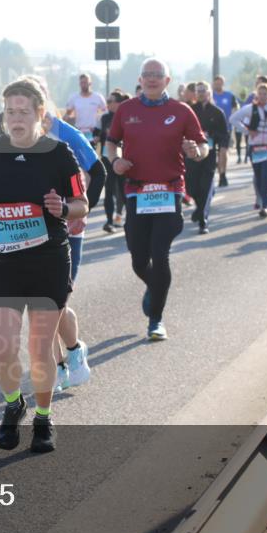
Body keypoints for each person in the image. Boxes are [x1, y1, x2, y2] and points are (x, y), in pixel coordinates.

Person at [0, 78, 88, 453]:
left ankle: (44, 418)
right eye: (10, 111)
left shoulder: (58, 153)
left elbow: (81, 203)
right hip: (3, 262)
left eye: (23, 111)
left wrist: (63, 209)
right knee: (2, 345)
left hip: (48, 260)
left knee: (38, 348)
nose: (16, 118)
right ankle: (13, 404)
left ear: (39, 113)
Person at [107, 59, 208, 340]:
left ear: (168, 80)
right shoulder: (126, 110)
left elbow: (203, 146)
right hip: (137, 192)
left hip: (169, 189)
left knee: (160, 254)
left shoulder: (181, 111)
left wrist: (195, 152)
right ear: (140, 79)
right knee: (139, 259)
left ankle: (156, 319)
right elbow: (111, 142)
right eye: (147, 75)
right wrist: (114, 160)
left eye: (157, 75)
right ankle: (155, 287)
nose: (152, 79)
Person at [19, 74, 104, 392]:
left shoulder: (64, 133)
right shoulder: (15, 136)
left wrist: (81, 210)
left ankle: (73, 351)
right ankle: (54, 369)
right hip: (27, 230)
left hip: (66, 227)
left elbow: (98, 170)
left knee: (54, 302)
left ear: (42, 102)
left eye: (30, 100)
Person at [228, 83, 267, 218]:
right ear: (257, 95)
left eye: (265, 94)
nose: (262, 96)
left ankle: (265, 205)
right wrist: (247, 131)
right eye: (260, 94)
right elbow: (233, 119)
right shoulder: (250, 108)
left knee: (266, 173)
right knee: (258, 175)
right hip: (255, 147)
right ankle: (260, 198)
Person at [188, 81, 228, 233]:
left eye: (204, 90)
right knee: (192, 186)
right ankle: (199, 209)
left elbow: (224, 134)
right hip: (192, 154)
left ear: (209, 93)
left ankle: (203, 220)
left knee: (205, 186)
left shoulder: (217, 112)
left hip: (209, 154)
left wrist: (211, 135)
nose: (201, 93)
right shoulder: (190, 111)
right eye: (198, 91)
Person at [96, 89, 130, 233]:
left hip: (123, 158)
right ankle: (109, 221)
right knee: (108, 190)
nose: (107, 104)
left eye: (110, 101)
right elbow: (98, 133)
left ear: (119, 103)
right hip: (107, 158)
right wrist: (96, 136)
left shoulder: (127, 116)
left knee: (124, 190)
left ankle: (132, 220)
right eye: (107, 101)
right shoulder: (104, 118)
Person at [211, 75, 239, 185]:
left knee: (223, 152)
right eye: (216, 83)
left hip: (225, 129)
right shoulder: (210, 96)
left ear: (223, 83)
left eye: (220, 83)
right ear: (213, 84)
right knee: (213, 154)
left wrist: (234, 122)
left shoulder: (229, 96)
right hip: (212, 130)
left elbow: (235, 110)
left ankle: (223, 175)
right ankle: (215, 173)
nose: (218, 85)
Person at [65, 73, 107, 139]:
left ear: (90, 83)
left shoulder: (98, 97)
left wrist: (99, 126)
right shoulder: (73, 98)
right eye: (82, 83)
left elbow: (106, 113)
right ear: (79, 84)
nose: (83, 85)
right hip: (79, 132)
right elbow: (67, 115)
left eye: (85, 82)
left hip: (92, 132)